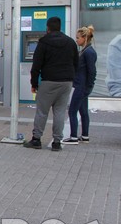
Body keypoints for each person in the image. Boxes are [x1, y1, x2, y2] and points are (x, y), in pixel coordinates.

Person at [23, 16, 79, 152]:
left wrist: (34, 83)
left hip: (49, 81)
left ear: (48, 28)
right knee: (60, 112)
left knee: (42, 112)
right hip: (66, 82)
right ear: (60, 27)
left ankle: (36, 139)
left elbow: (36, 64)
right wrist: (72, 78)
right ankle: (57, 142)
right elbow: (76, 63)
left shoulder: (43, 42)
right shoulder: (70, 42)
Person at [62, 25, 97, 145]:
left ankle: (73, 137)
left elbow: (92, 71)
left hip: (82, 86)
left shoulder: (88, 52)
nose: (76, 40)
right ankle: (85, 136)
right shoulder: (85, 51)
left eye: (78, 38)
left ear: (85, 38)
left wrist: (89, 87)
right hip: (81, 85)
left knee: (72, 111)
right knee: (83, 111)